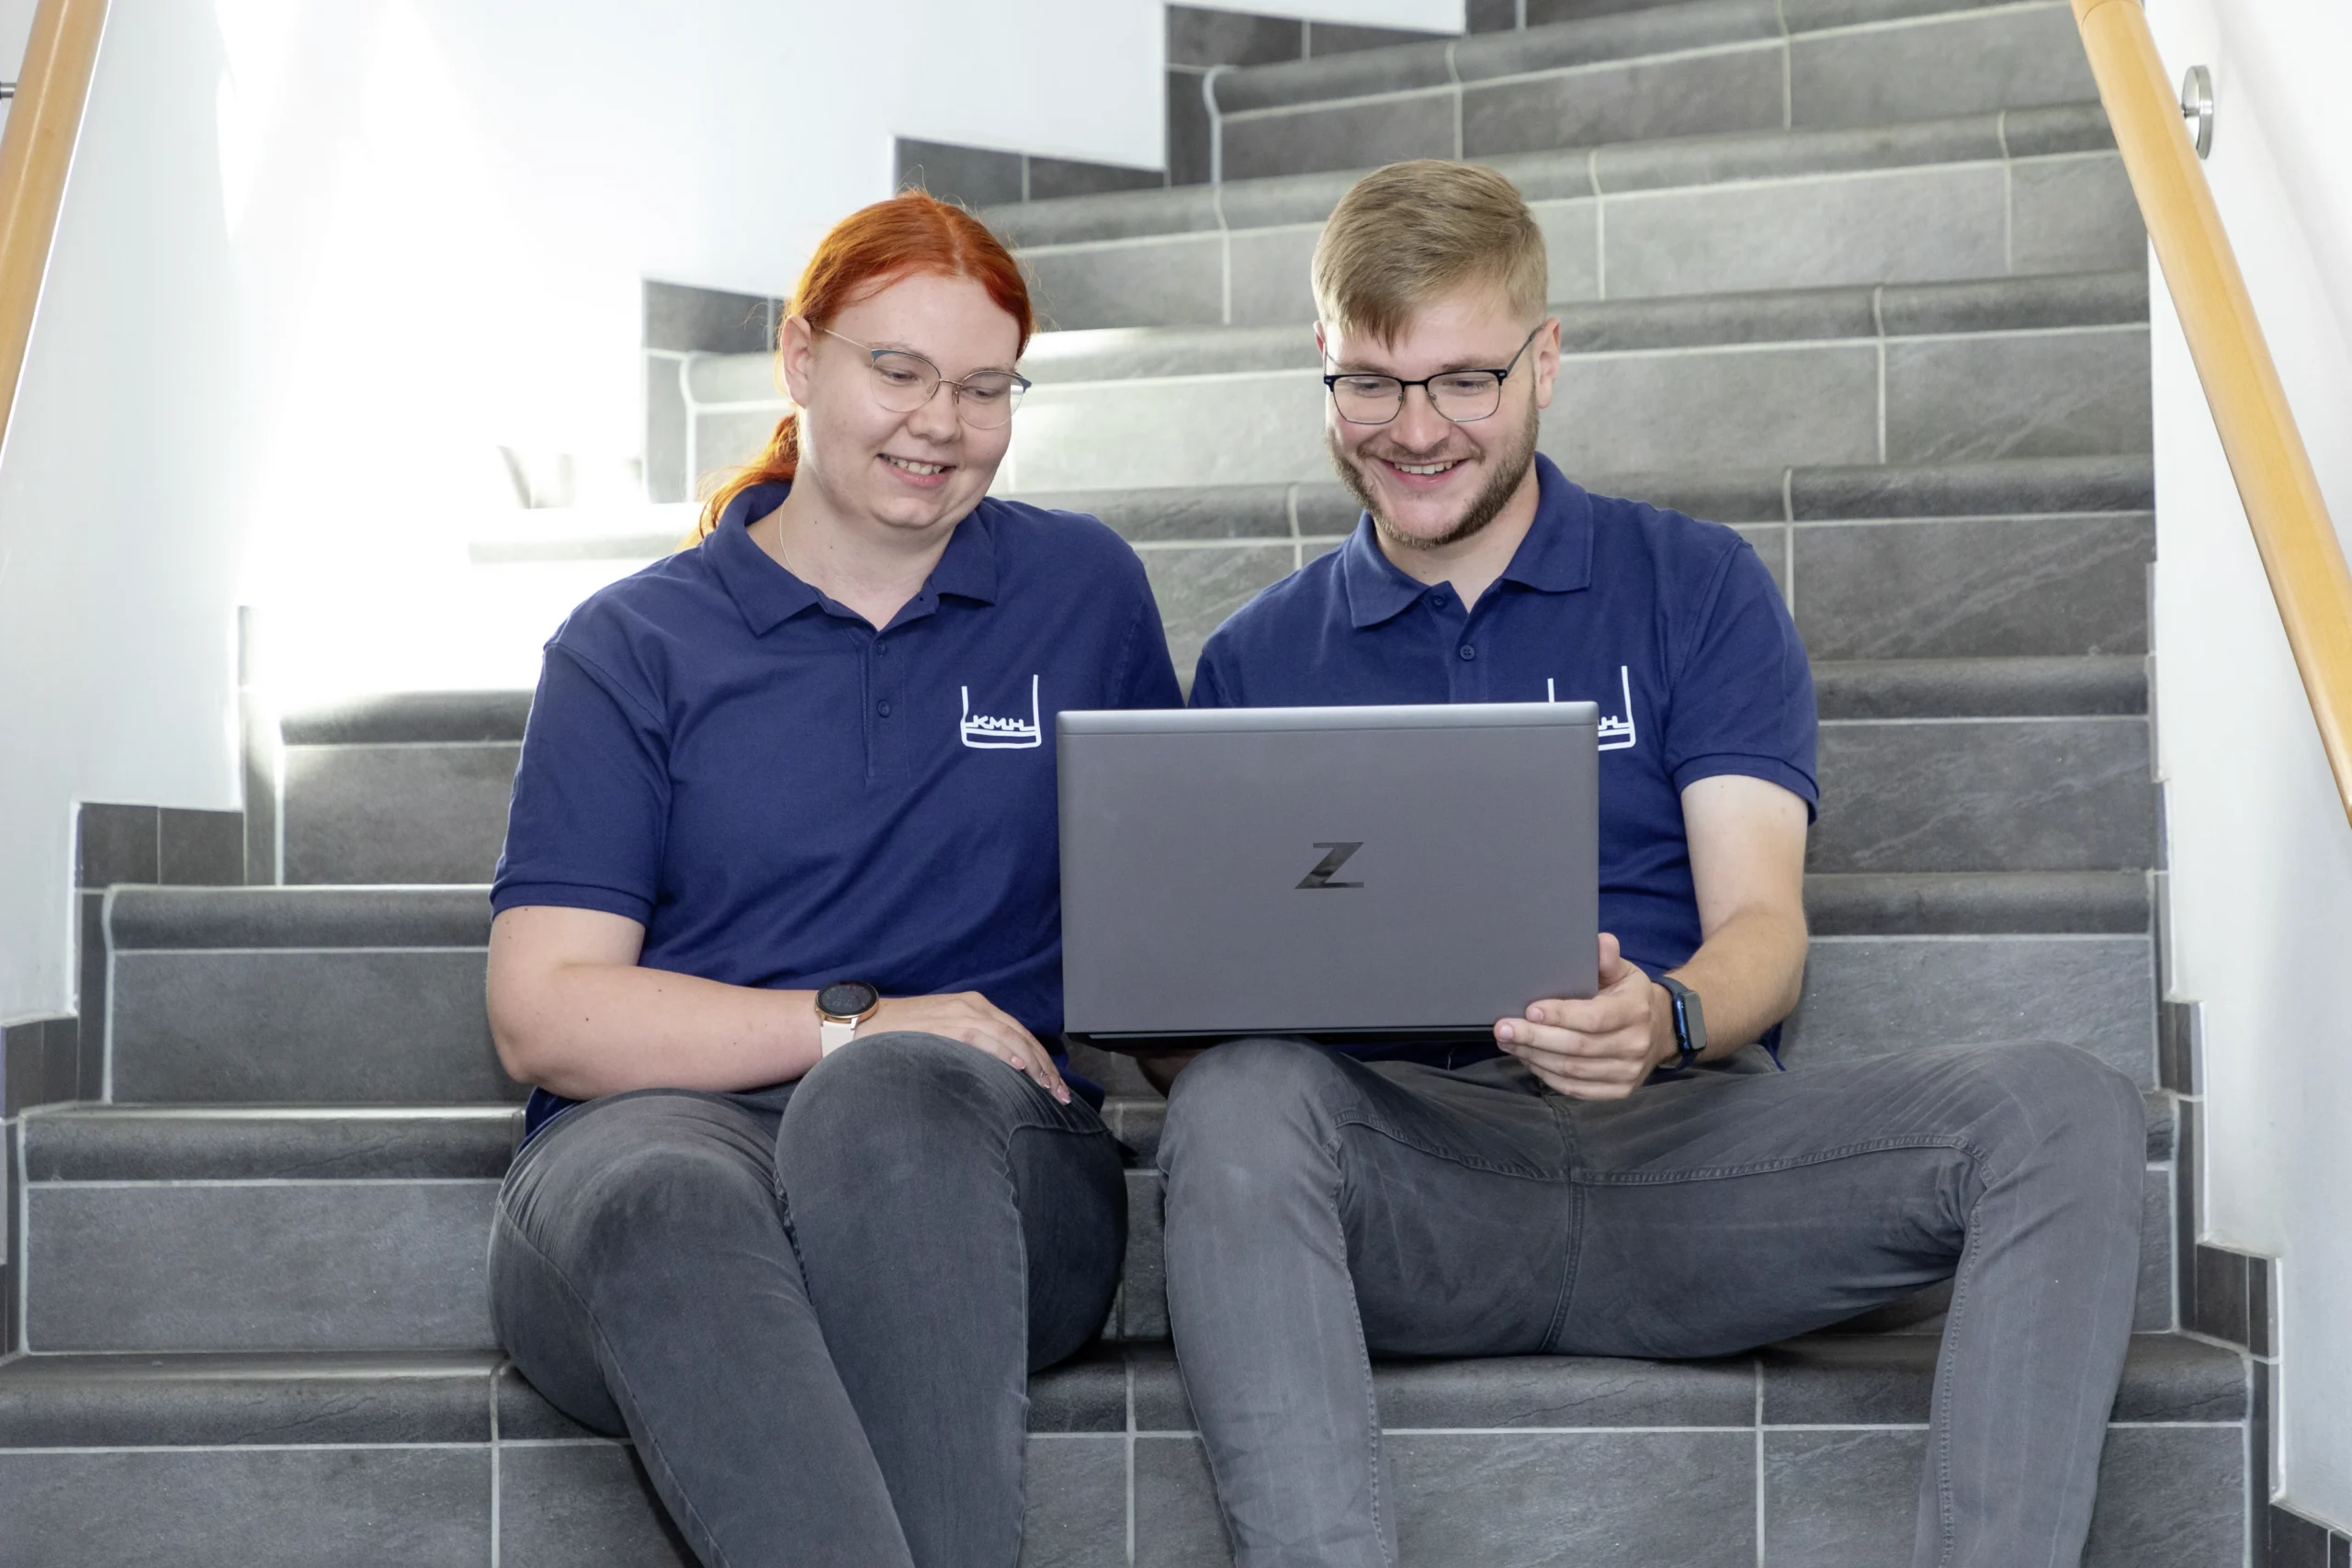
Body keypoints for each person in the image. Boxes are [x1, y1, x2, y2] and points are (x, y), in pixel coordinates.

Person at [1152, 161, 2146, 1568]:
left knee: (2066, 1112)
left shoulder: (1694, 583)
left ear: (1546, 361)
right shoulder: (1257, 659)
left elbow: (1761, 924)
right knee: (1244, 1101)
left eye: (1465, 380)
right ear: (1324, 364)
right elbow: (1208, 1044)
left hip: (1692, 1160)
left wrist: (1667, 1013)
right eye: (1370, 382)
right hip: (1418, 1180)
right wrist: (1173, 1024)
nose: (1414, 428)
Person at [483, 191, 1181, 1568]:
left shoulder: (1082, 592)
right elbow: (546, 1011)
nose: (940, 422)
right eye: (898, 369)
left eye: (985, 387)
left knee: (895, 1099)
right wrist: (857, 1019)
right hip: (662, 1167)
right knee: (669, 1188)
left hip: (981, 1169)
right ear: (801, 360)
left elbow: (1168, 943)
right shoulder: (631, 648)